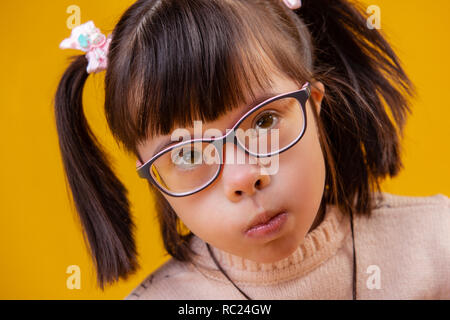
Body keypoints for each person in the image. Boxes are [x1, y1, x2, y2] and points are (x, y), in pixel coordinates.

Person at [55, 0, 450, 299]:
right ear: (153, 175)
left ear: (313, 102)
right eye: (189, 154)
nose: (244, 177)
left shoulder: (436, 244)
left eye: (263, 122)